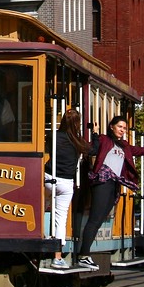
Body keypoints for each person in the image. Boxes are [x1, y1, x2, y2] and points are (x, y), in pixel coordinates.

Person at [76, 115, 144, 270]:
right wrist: (95, 134)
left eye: (124, 128)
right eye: (119, 127)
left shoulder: (124, 146)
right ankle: (83, 256)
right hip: (103, 181)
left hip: (114, 183)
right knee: (95, 219)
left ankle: (85, 254)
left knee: (100, 219)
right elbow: (92, 150)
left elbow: (137, 150)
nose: (122, 130)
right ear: (112, 127)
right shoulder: (104, 139)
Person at [45, 108, 91, 269]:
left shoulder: (53, 136)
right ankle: (57, 257)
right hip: (65, 182)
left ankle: (40, 236)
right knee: (60, 219)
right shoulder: (78, 141)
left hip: (48, 177)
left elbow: (50, 149)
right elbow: (93, 149)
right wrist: (95, 133)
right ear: (78, 124)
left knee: (40, 208)